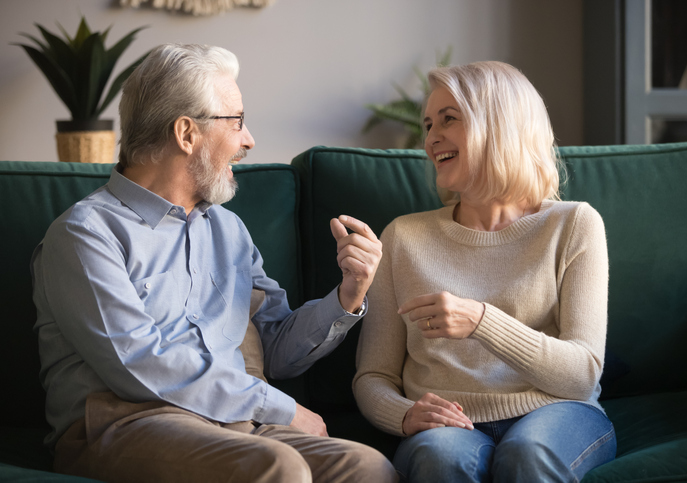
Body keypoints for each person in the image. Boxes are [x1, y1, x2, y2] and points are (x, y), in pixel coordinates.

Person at [32, 43, 396, 483]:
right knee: (279, 467)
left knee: (367, 468)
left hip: (231, 423)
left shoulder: (228, 231)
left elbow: (276, 347)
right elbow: (138, 363)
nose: (249, 140)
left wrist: (349, 294)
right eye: (237, 121)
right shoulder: (85, 234)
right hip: (123, 422)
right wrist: (277, 407)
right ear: (187, 134)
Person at [353, 61, 616, 482]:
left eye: (449, 119)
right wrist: (404, 414)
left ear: (500, 124)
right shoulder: (403, 237)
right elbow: (373, 375)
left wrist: (481, 320)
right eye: (427, 124)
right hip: (450, 425)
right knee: (440, 459)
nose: (431, 136)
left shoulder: (574, 224)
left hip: (557, 411)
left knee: (526, 455)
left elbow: (582, 374)